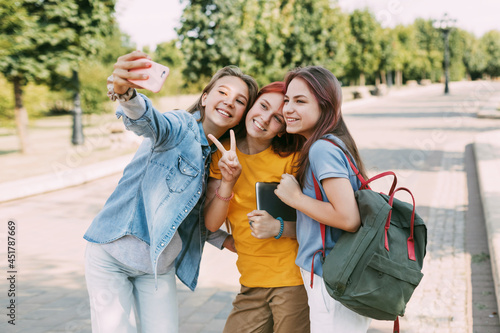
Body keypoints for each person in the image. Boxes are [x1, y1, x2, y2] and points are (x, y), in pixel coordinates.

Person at [83, 50, 258, 333]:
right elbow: (150, 121)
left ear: (241, 117)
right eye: (222, 92)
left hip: (158, 266)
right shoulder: (180, 126)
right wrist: (126, 95)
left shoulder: (220, 158)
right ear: (205, 98)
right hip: (113, 251)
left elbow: (192, 213)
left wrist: (231, 241)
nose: (229, 101)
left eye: (240, 101)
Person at [204, 82, 309, 333]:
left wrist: (279, 227)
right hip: (250, 282)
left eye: (277, 119)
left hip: (292, 281)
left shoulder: (293, 161)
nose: (264, 119)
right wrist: (228, 182)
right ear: (252, 104)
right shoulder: (222, 155)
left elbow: (319, 223)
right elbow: (211, 224)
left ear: (283, 130)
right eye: (262, 106)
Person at [274, 66, 372, 332]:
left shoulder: (321, 149)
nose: (288, 109)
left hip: (330, 274)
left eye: (300, 101)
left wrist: (295, 198)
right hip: (337, 272)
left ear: (325, 106)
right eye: (287, 100)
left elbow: (348, 218)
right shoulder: (333, 143)